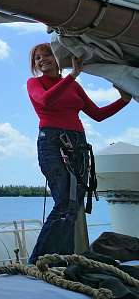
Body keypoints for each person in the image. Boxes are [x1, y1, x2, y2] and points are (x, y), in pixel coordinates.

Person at [26, 43, 132, 264]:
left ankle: (62, 260)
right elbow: (45, 100)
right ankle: (38, 261)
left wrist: (123, 101)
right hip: (53, 143)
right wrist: (73, 74)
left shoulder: (73, 87)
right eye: (37, 58)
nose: (42, 59)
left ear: (58, 58)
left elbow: (98, 114)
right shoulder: (35, 84)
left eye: (47, 54)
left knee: (74, 206)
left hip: (79, 145)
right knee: (64, 202)